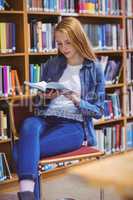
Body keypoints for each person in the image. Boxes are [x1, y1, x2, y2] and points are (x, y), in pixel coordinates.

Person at [14, 17, 105, 200]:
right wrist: (45, 96)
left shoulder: (93, 68)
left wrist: (78, 100)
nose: (64, 48)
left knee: (20, 152)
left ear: (78, 38)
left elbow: (99, 111)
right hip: (47, 118)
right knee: (29, 124)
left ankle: (27, 194)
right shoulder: (53, 64)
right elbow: (41, 101)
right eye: (59, 43)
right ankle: (28, 195)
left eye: (68, 42)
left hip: (73, 126)